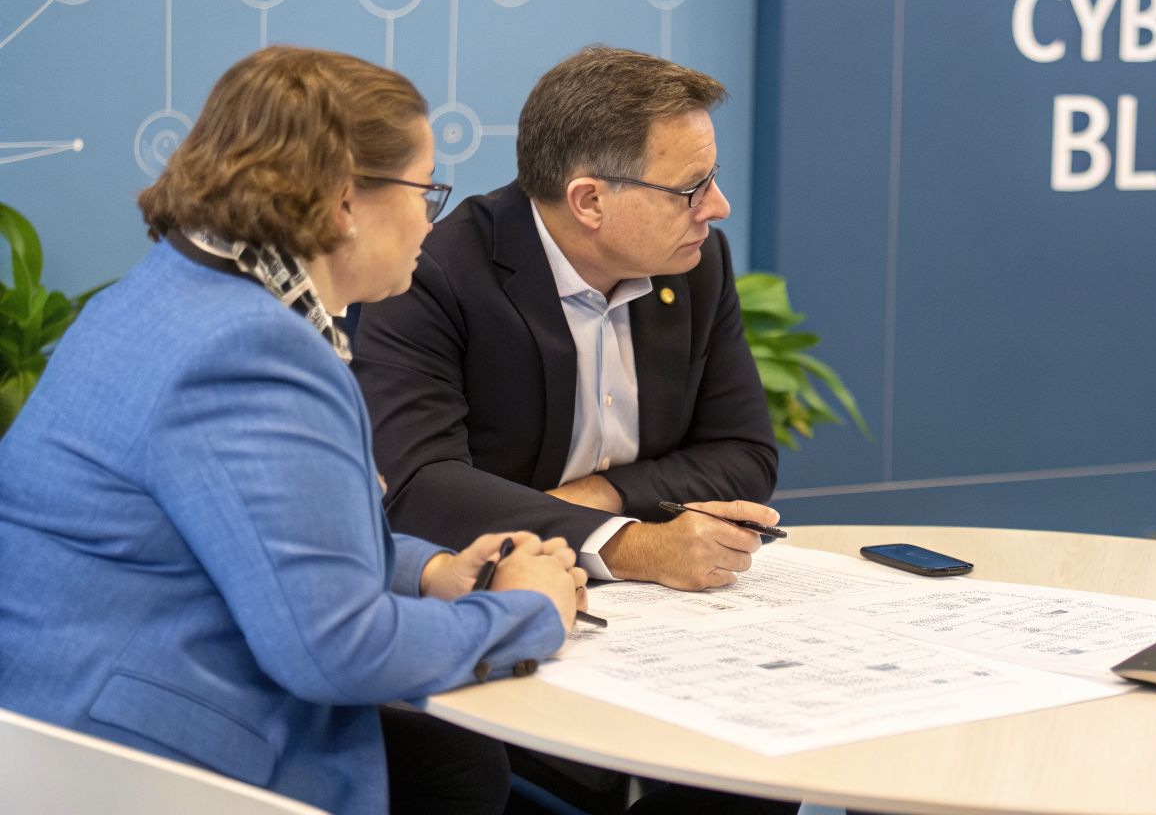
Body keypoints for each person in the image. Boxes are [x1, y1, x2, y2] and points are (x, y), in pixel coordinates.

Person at [0, 46, 588, 815]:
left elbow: (261, 538)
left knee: (459, 767)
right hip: (156, 766)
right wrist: (531, 613)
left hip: (65, 718)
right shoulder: (250, 349)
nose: (428, 220)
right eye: (425, 191)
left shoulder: (164, 296)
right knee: (467, 771)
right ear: (345, 202)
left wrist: (430, 572)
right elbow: (335, 650)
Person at [352, 45, 780, 592]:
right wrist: (628, 544)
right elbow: (417, 486)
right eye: (690, 190)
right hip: (501, 594)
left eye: (712, 178)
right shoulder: (436, 273)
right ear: (589, 202)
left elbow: (743, 453)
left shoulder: (694, 264)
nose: (717, 207)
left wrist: (604, 494)